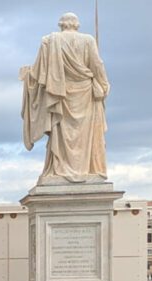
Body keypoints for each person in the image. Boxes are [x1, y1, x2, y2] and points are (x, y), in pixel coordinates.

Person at [21, 12, 110, 183]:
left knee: (60, 132)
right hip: (85, 95)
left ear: (61, 24)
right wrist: (104, 86)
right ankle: (88, 168)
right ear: (77, 24)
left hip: (59, 94)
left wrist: (27, 75)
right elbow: (98, 65)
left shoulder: (49, 41)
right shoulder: (88, 40)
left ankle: (59, 169)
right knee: (86, 136)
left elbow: (39, 73)